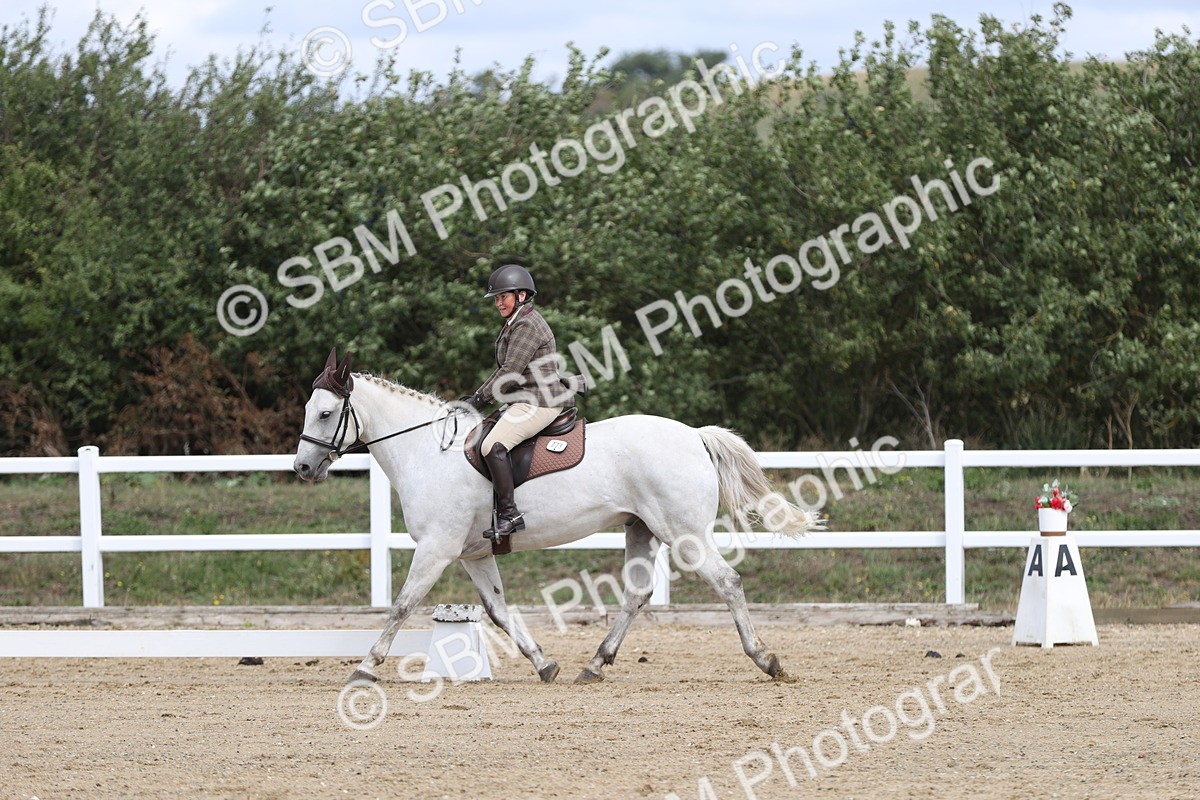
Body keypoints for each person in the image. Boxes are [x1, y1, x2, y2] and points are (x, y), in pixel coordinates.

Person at [462, 264, 575, 543]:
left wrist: (479, 398)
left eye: (504, 296)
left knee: (492, 446)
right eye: (497, 298)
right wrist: (477, 395)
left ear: (522, 295)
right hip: (526, 398)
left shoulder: (527, 324)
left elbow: (510, 370)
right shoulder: (517, 321)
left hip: (540, 401)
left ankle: (510, 514)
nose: (499, 302)